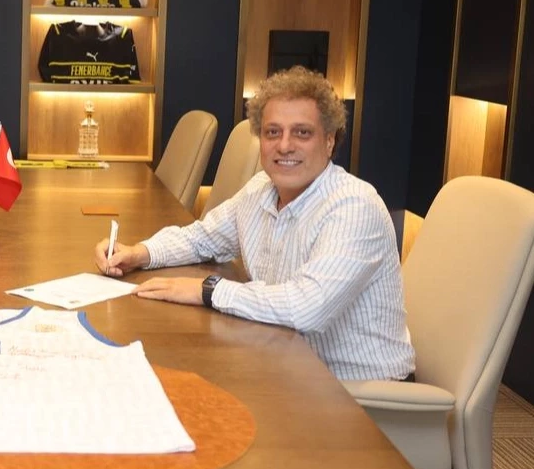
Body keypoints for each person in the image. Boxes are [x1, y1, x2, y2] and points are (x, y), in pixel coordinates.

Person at [94, 66, 415, 381]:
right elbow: (202, 238)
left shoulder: (353, 206)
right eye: (273, 132)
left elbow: (306, 308)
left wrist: (208, 290)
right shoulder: (261, 188)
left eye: (302, 133)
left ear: (329, 141)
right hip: (284, 364)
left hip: (353, 391)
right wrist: (138, 253)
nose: (284, 145)